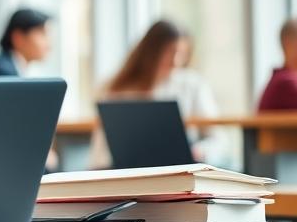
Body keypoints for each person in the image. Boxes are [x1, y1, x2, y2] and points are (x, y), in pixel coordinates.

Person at [92, 20, 228, 167]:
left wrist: (199, 150)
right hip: (129, 171)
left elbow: (218, 139)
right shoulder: (118, 89)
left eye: (181, 54)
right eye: (170, 52)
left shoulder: (192, 85)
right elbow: (102, 148)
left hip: (180, 169)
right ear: (151, 52)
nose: (175, 61)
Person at [0, 8, 51, 77]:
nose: (49, 45)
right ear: (18, 38)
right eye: (42, 34)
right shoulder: (1, 72)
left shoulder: (13, 68)